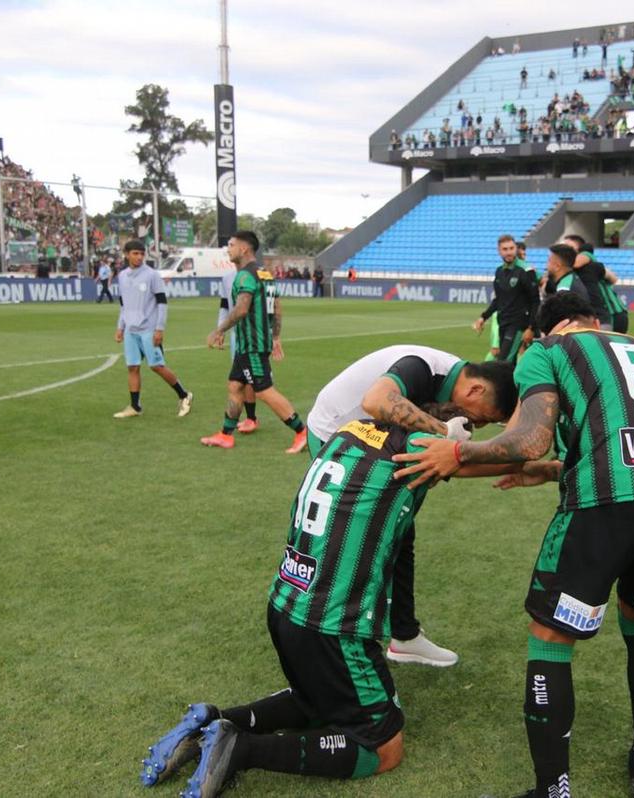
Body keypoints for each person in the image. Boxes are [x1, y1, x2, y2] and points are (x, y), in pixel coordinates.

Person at [393, 292, 634, 798]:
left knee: (550, 638)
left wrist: (457, 451)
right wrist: (556, 470)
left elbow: (532, 438)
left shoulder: (547, 350)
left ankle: (551, 790)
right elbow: (631, 432)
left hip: (606, 498)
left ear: (547, 330)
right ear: (595, 321)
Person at [139, 413, 475, 797]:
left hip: (286, 603)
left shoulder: (350, 432)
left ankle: (212, 722)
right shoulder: (414, 449)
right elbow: (483, 457)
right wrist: (537, 463)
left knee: (320, 701)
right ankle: (240, 748)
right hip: (333, 626)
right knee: (382, 747)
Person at [304, 345, 518, 666]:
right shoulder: (423, 367)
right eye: (484, 418)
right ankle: (327, 629)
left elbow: (447, 463)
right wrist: (445, 432)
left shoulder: (446, 382)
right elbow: (376, 401)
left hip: (373, 441)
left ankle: (403, 635)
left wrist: (525, 466)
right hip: (336, 438)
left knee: (400, 532)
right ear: (476, 389)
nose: (478, 426)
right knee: (353, 540)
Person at [200, 231, 308, 453]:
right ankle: (226, 434)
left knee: (263, 390)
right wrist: (275, 336)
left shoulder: (244, 276)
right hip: (248, 345)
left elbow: (241, 309)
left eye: (231, 245)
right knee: (235, 385)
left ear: (244, 249)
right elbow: (276, 307)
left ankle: (302, 431)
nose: (228, 249)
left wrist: (218, 330)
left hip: (252, 345)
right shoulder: (264, 274)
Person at [112, 239, 193, 419]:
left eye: (142, 254)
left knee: (157, 366)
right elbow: (123, 305)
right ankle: (135, 406)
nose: (139, 257)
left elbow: (162, 303)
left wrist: (159, 329)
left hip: (149, 328)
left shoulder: (152, 275)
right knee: (132, 367)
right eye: (135, 253)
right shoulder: (123, 276)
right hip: (130, 330)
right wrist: (120, 327)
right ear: (127, 255)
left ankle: (184, 395)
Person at [474, 234, 539, 363]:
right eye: (505, 249)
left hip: (518, 324)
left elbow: (535, 301)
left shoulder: (526, 270)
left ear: (516, 249)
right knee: (510, 363)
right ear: (499, 251)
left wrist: (531, 328)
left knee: (503, 361)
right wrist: (483, 317)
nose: (509, 252)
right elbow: (498, 299)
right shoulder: (499, 271)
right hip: (503, 321)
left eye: (511, 248)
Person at [216, 262, 260, 434]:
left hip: (254, 336)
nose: (229, 251)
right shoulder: (227, 278)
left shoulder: (257, 275)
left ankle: (299, 429)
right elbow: (224, 305)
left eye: (232, 246)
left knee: (257, 383)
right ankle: (233, 428)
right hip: (236, 335)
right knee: (238, 381)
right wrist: (221, 329)